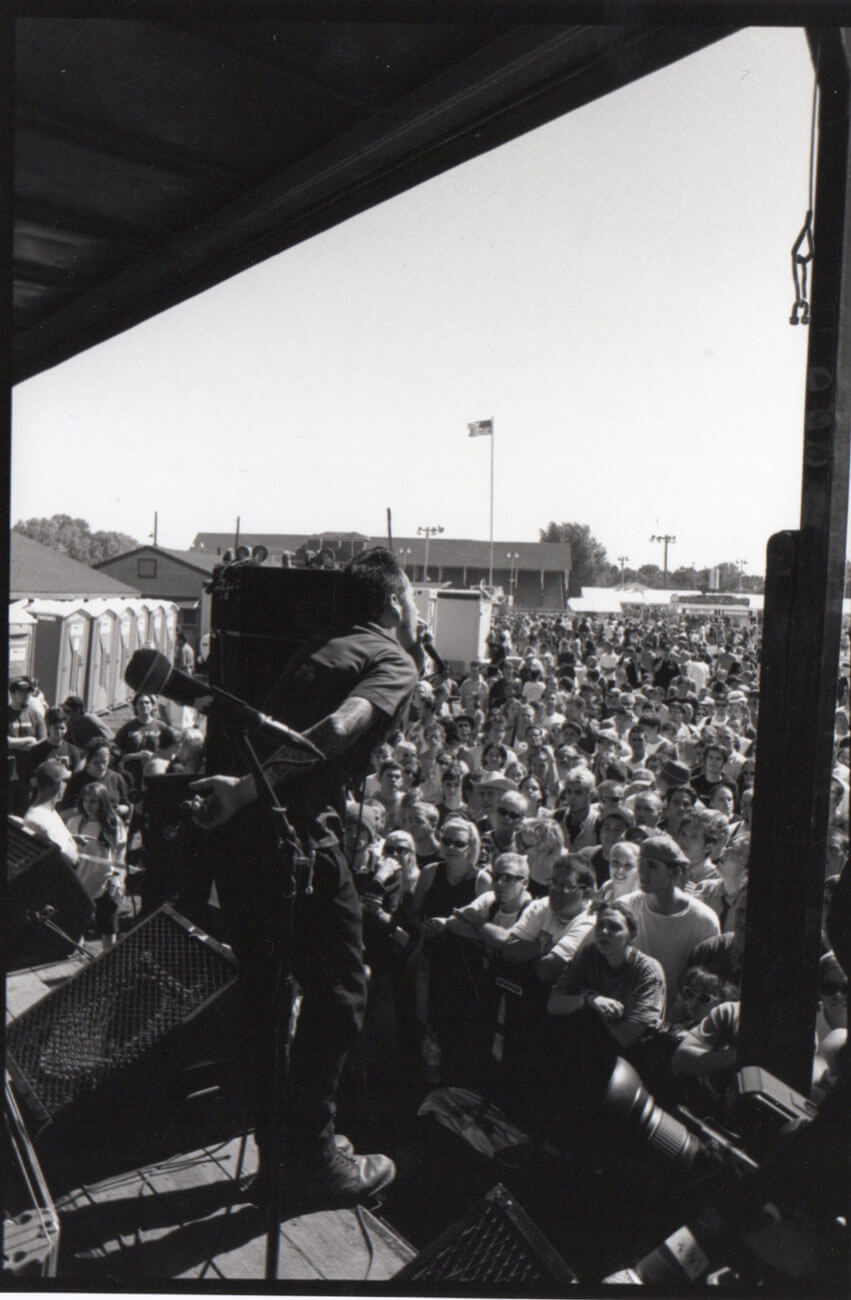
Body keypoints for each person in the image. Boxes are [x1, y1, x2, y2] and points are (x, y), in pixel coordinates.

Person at [189, 546, 421, 1209]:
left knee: (266, 996)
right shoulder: (388, 657)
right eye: (408, 600)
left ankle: (280, 1156)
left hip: (244, 845)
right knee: (344, 990)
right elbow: (342, 727)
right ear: (391, 603)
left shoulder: (319, 646)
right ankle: (313, 1158)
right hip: (294, 836)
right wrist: (245, 789)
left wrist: (240, 793)